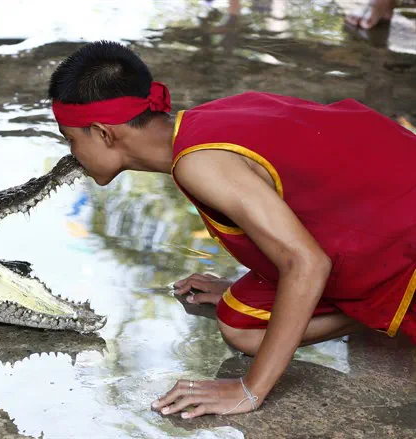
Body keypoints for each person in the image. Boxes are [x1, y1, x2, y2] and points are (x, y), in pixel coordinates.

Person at [47, 40, 416, 418]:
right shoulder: (204, 121)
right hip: (393, 216)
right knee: (238, 316)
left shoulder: (199, 164)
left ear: (103, 133)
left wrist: (249, 389)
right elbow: (316, 194)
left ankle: (387, 305)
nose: (72, 154)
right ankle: (376, 306)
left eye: (71, 140)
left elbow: (307, 262)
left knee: (248, 333)